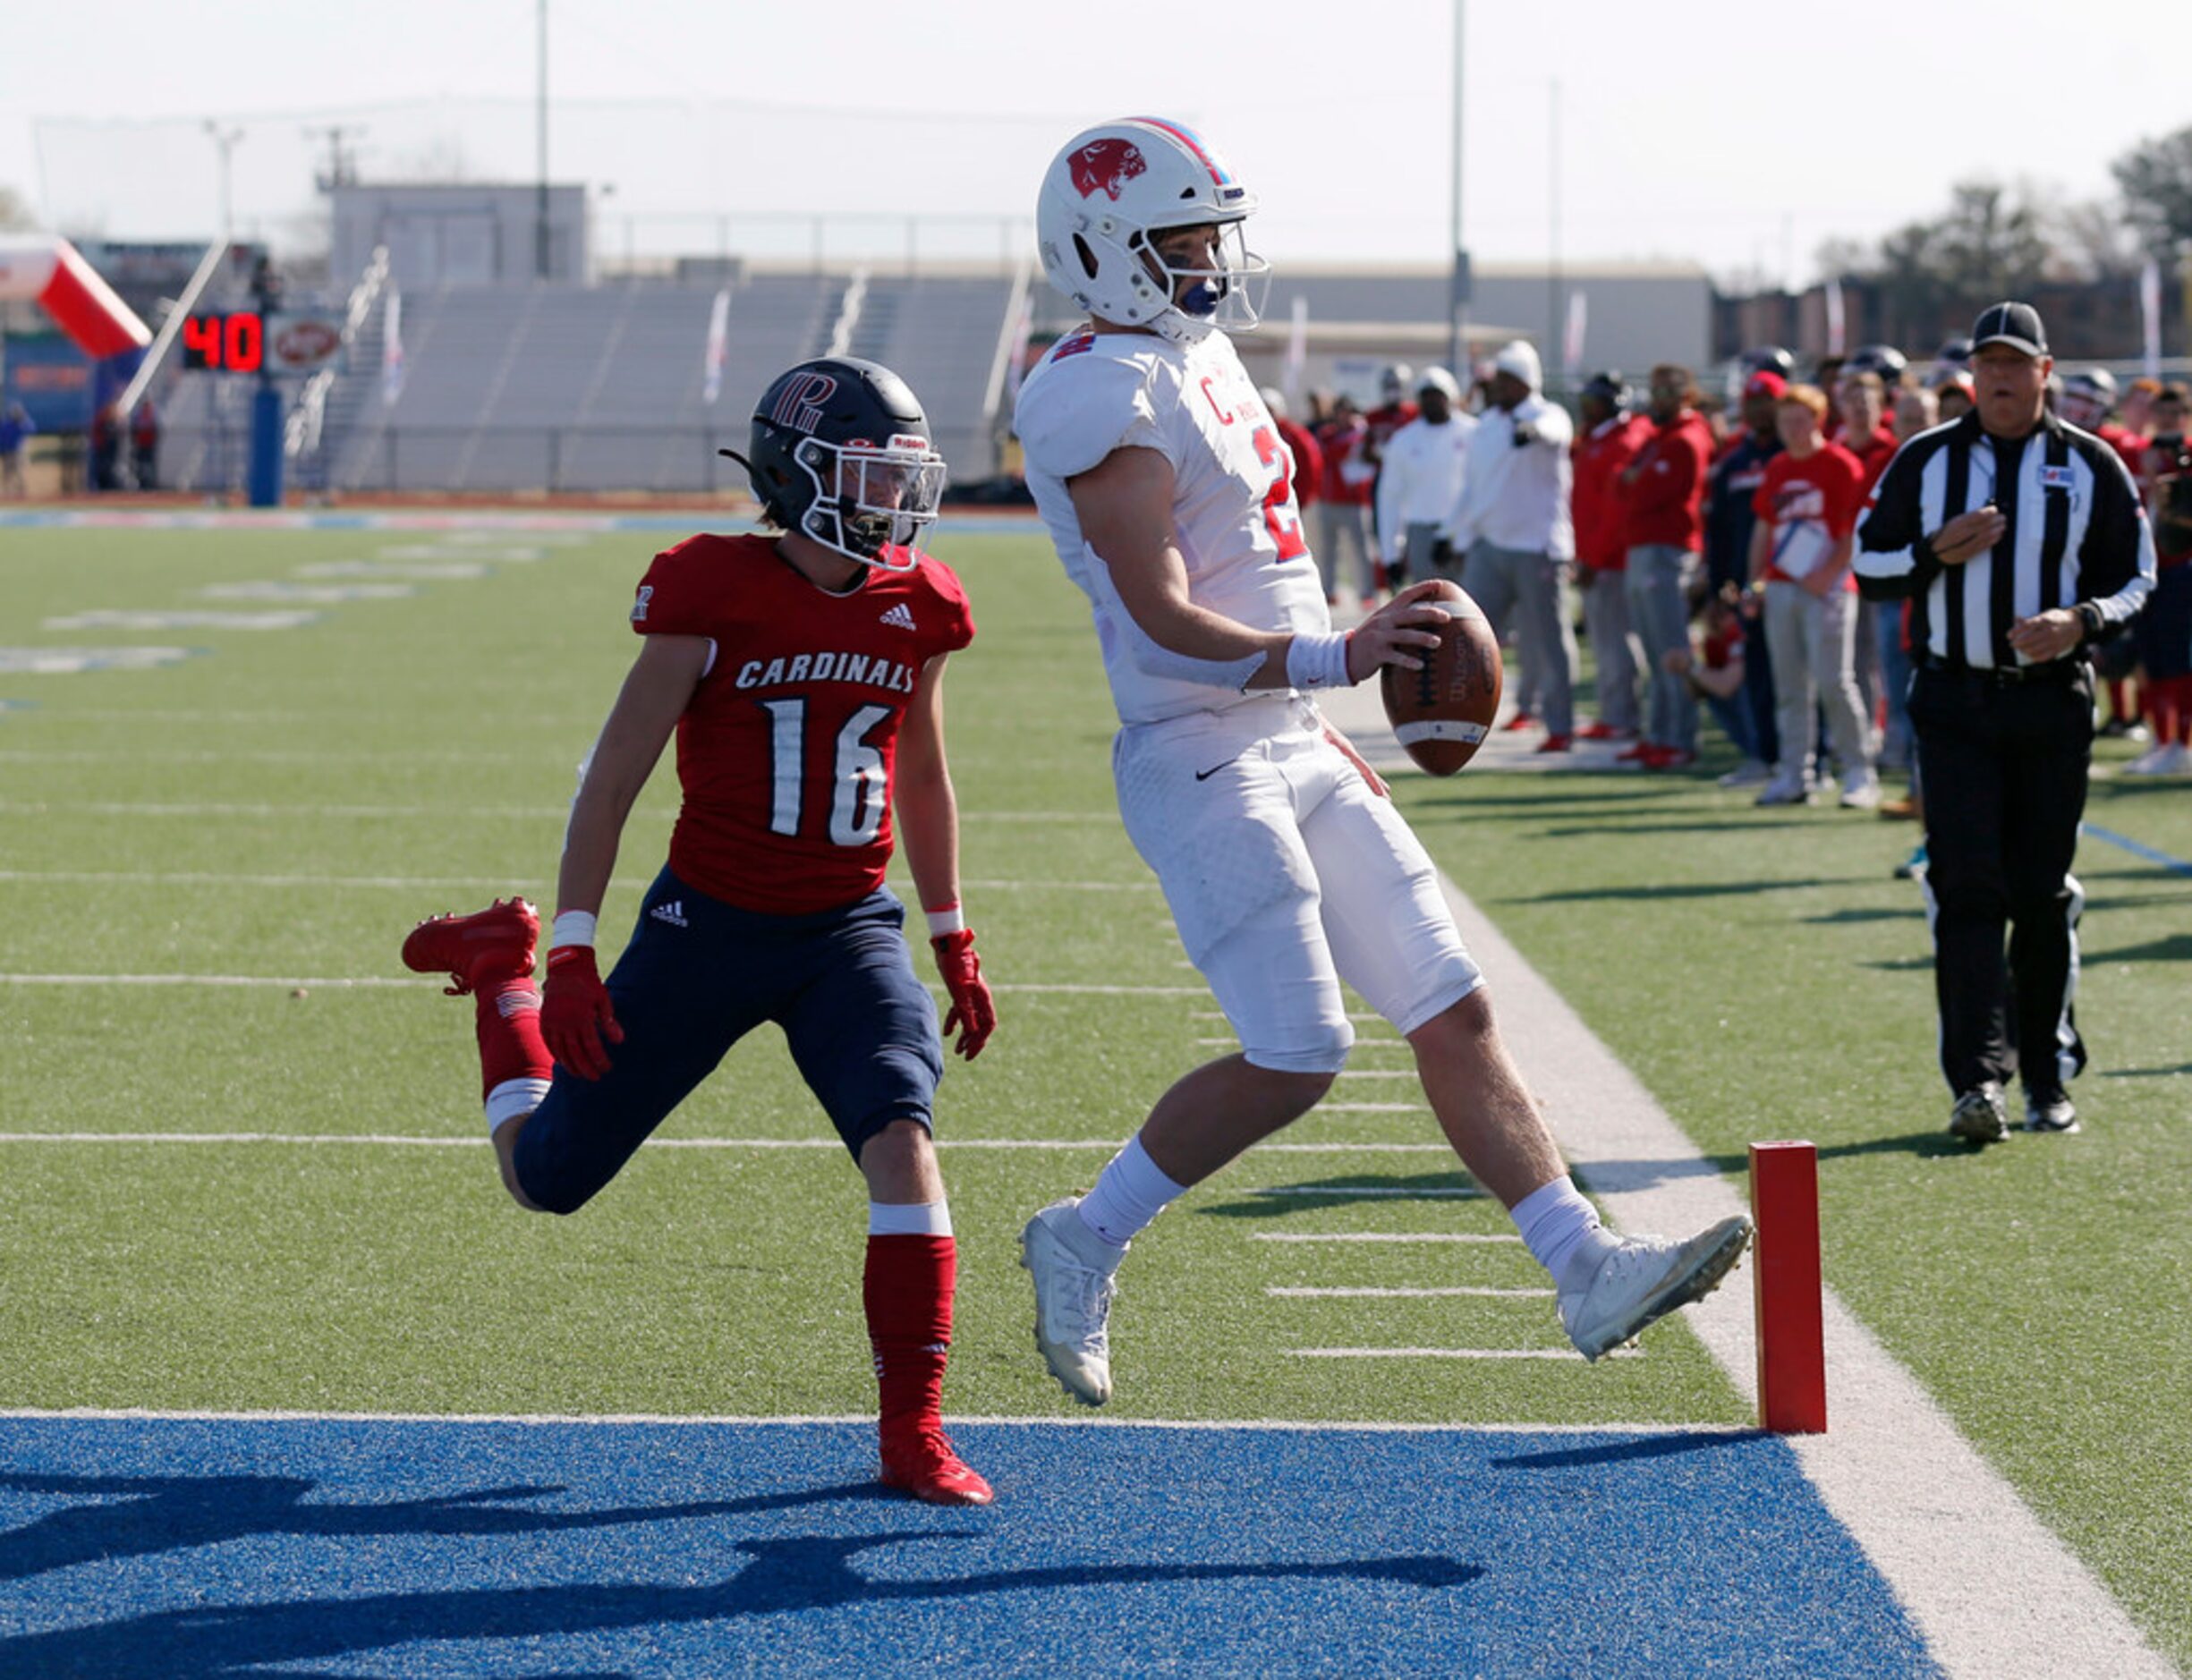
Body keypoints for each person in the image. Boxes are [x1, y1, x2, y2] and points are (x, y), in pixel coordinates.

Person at [1011, 115, 1750, 1406]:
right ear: (1106, 250)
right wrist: (1335, 658)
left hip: (1290, 730)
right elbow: (1157, 614)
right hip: (1199, 746)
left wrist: (1330, 672)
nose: (1209, 258)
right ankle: (1083, 1231)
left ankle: (1580, 1263)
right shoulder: (1096, 387)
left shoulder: (1199, 356)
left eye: (1210, 233)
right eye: (1182, 236)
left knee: (1450, 1002)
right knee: (1298, 1051)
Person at [399, 356, 998, 1504]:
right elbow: (612, 775)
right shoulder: (707, 589)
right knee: (547, 1181)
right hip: (705, 925)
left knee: (902, 1141)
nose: (894, 499)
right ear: (801, 471)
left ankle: (910, 1432)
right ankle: (500, 979)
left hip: (846, 932)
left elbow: (921, 773)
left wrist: (950, 933)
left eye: (902, 474)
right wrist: (570, 948)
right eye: (870, 472)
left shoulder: (921, 603)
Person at [1856, 301, 2155, 1142]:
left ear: (2044, 372)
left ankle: (2048, 1075)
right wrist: (1933, 554)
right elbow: (1866, 560)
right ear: (1971, 375)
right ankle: (1977, 1082)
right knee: (1966, 890)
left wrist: (2079, 620)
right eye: (1988, 363)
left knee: (2039, 892)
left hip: (2050, 699)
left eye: (2016, 363)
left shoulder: (2090, 463)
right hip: (1953, 701)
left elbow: (2138, 576)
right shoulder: (1926, 459)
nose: (2000, 377)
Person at [1749, 384, 1878, 810]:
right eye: (1785, 421)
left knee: (1833, 681)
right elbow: (1764, 527)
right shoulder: (1778, 467)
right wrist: (1755, 582)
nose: (1792, 429)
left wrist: (1828, 574)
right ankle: (1795, 773)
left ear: (1818, 421)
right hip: (1784, 584)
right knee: (1789, 686)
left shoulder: (1839, 465)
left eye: (1800, 420)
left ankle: (1859, 769)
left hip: (1829, 587)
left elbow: (1850, 531)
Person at [1451, 340, 1579, 753]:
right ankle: (1464, 720)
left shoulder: (1546, 414)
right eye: (1498, 380)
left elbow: (1556, 431)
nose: (1501, 387)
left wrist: (1532, 431)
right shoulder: (1487, 423)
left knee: (1547, 637)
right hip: (1488, 545)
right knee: (1470, 637)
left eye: (1509, 379)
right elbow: (1473, 488)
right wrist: (1454, 535)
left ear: (1527, 381)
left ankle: (1559, 724)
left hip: (1537, 546)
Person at [1619, 364, 1714, 769]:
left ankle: (1679, 738)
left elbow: (1642, 493)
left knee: (1672, 649)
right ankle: (1657, 733)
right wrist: (1634, 479)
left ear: (1685, 397)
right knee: (1654, 651)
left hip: (1668, 551)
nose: (1657, 400)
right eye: (1654, 391)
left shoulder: (1687, 440)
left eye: (1666, 393)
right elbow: (1622, 483)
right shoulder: (1659, 438)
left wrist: (1635, 480)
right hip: (1644, 548)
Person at [1703, 370, 1788, 783]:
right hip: (1744, 587)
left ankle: (1810, 758)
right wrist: (1719, 585)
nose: (1758, 410)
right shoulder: (1733, 463)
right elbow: (1717, 530)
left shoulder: (1793, 455)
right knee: (1754, 672)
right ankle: (1762, 754)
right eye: (1752, 402)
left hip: (1793, 580)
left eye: (1766, 401)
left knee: (1795, 674)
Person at [1569, 370, 1650, 741]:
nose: (1588, 411)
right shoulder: (1598, 439)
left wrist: (1595, 558)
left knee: (1616, 642)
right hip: (1595, 556)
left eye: (1595, 403)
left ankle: (1621, 717)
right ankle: (1614, 712)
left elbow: (1614, 513)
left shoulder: (1622, 441)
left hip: (1611, 561)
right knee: (1605, 642)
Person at [2127, 384, 2192, 776]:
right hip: (2146, 568)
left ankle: (2181, 741)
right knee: (2150, 659)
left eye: (2174, 414)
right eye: (2161, 414)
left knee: (2178, 659)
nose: (2167, 422)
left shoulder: (2185, 457)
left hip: (2179, 567)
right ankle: (2160, 738)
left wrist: (2166, 476)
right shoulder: (2144, 451)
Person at [1374, 367, 1475, 590]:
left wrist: (1456, 532)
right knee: (1428, 606)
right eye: (1426, 396)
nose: (1432, 402)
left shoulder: (1473, 433)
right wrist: (1391, 555)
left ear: (1451, 397)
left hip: (1464, 534)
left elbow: (1478, 488)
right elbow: (1390, 498)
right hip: (1421, 534)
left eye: (1438, 395)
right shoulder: (1403, 440)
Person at [1313, 395, 1379, 607]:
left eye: (1348, 411)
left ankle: (1367, 592)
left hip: (1354, 502)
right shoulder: (1328, 434)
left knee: (1362, 550)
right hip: (1328, 500)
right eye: (1340, 411)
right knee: (1328, 551)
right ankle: (1329, 591)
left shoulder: (1361, 433)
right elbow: (1330, 453)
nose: (1344, 416)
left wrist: (1358, 434)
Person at [0, 400, 33, 499]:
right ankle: (7, 491)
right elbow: (2, 437)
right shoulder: (7, 424)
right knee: (7, 473)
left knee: (19, 472)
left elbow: (31, 429)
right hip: (7, 452)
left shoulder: (21, 424)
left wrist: (24, 419)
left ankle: (21, 492)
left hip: (17, 452)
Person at [129, 398, 160, 491]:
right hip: (140, 446)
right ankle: (141, 484)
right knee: (140, 466)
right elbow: (134, 431)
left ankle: (151, 485)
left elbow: (157, 431)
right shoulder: (139, 417)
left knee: (149, 466)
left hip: (149, 446)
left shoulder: (153, 417)